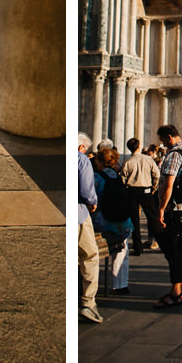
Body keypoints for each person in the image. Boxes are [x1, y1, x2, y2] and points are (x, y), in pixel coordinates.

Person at [153, 124, 182, 309]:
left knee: (173, 249)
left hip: (174, 208)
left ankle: (175, 292)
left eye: (163, 141)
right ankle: (180, 288)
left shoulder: (174, 154)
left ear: (170, 137)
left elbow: (169, 183)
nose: (163, 145)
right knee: (178, 248)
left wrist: (161, 208)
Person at [92, 147, 133, 294]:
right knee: (122, 250)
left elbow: (92, 200)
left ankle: (91, 286)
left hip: (103, 223)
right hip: (123, 224)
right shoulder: (118, 177)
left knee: (91, 253)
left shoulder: (97, 178)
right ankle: (121, 284)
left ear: (100, 161)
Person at [118, 137, 160, 256]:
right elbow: (156, 174)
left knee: (135, 221)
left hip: (132, 192)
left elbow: (122, 179)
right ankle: (162, 243)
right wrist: (154, 187)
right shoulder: (148, 159)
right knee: (153, 218)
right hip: (146, 190)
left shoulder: (127, 162)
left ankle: (138, 248)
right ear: (139, 146)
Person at [77, 132, 102, 324]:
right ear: (81, 148)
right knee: (90, 255)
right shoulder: (81, 160)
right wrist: (92, 202)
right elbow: (87, 191)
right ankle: (88, 302)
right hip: (78, 214)